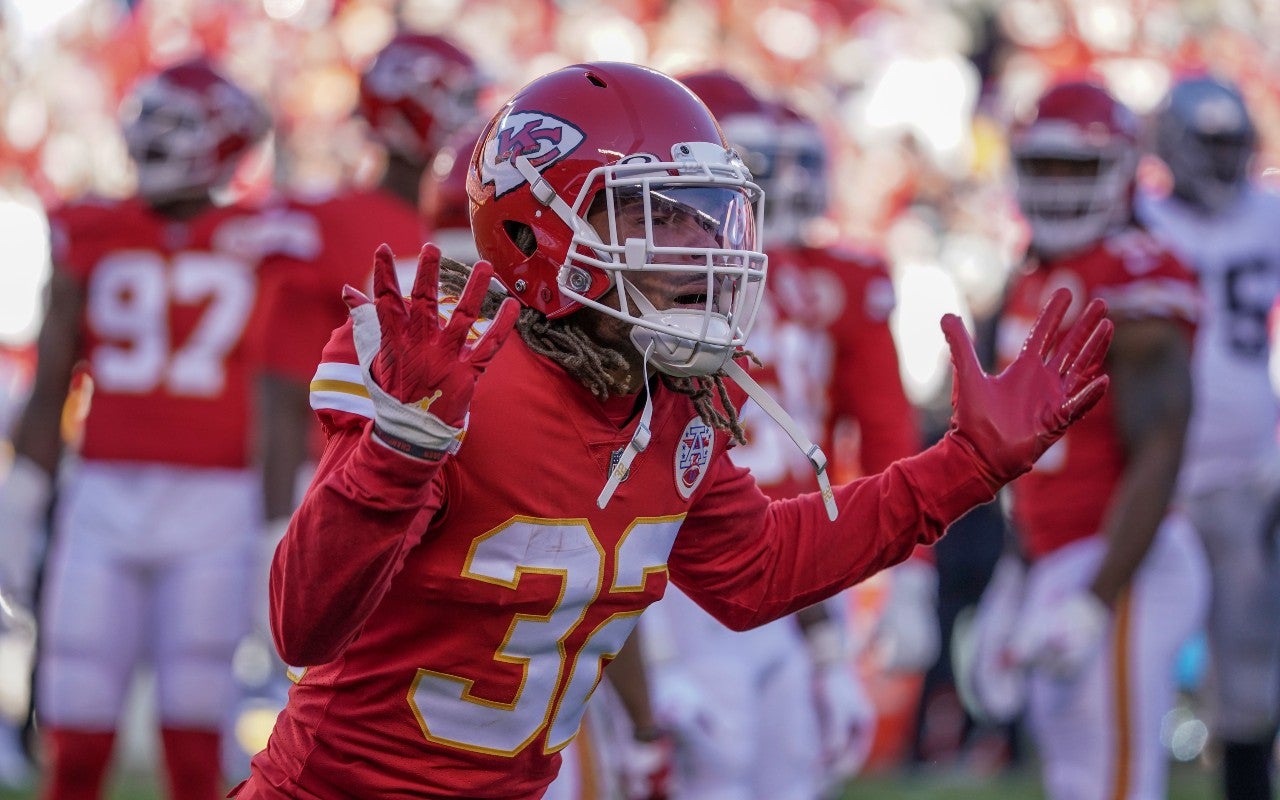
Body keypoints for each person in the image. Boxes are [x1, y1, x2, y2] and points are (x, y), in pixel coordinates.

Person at [234, 61, 1112, 800]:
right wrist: (396, 452)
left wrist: (966, 467)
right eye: (659, 215)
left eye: (705, 213)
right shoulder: (453, 372)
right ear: (540, 228)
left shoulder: (666, 401)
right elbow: (302, 628)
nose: (700, 246)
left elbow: (758, 572)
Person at [630, 69, 922, 800]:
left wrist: (825, 645)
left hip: (767, 574)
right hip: (682, 582)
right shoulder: (672, 292)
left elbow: (791, 481)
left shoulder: (787, 279)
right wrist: (655, 658)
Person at [0, 59, 280, 800]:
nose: (151, 138)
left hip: (216, 502)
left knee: (195, 734)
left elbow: (287, 391)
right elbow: (53, 372)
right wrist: (23, 496)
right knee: (77, 723)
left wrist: (277, 519)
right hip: (105, 494)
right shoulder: (90, 229)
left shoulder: (269, 237)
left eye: (175, 125)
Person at [992, 80, 1210, 800]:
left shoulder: (1137, 275)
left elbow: (1162, 446)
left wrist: (1096, 595)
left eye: (1076, 170)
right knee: (1076, 775)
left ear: (1120, 171)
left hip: (1121, 559)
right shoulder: (1038, 273)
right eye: (1043, 168)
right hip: (1060, 555)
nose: (1056, 188)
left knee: (1115, 777)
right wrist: (1016, 575)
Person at [255, 30, 483, 592]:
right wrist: (275, 527)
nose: (470, 118)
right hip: (351, 478)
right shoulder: (326, 222)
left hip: (470, 482)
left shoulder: (485, 219)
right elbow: (281, 387)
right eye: (455, 101)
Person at [1137, 75, 1280, 800]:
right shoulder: (1141, 218)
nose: (1223, 161)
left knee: (1249, 673)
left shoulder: (1271, 212)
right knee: (1135, 666)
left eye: (1233, 145)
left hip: (1247, 477)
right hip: (1151, 484)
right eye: (1210, 144)